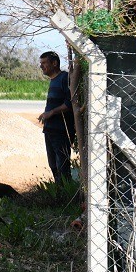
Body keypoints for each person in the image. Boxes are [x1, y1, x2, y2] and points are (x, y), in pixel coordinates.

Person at [38, 50, 76, 185]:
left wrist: (52, 112)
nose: (41, 66)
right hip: (50, 130)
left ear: (54, 63)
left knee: (62, 165)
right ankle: (60, 193)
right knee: (53, 165)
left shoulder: (64, 78)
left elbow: (70, 102)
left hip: (61, 131)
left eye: (44, 63)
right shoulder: (53, 81)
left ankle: (66, 194)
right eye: (40, 63)